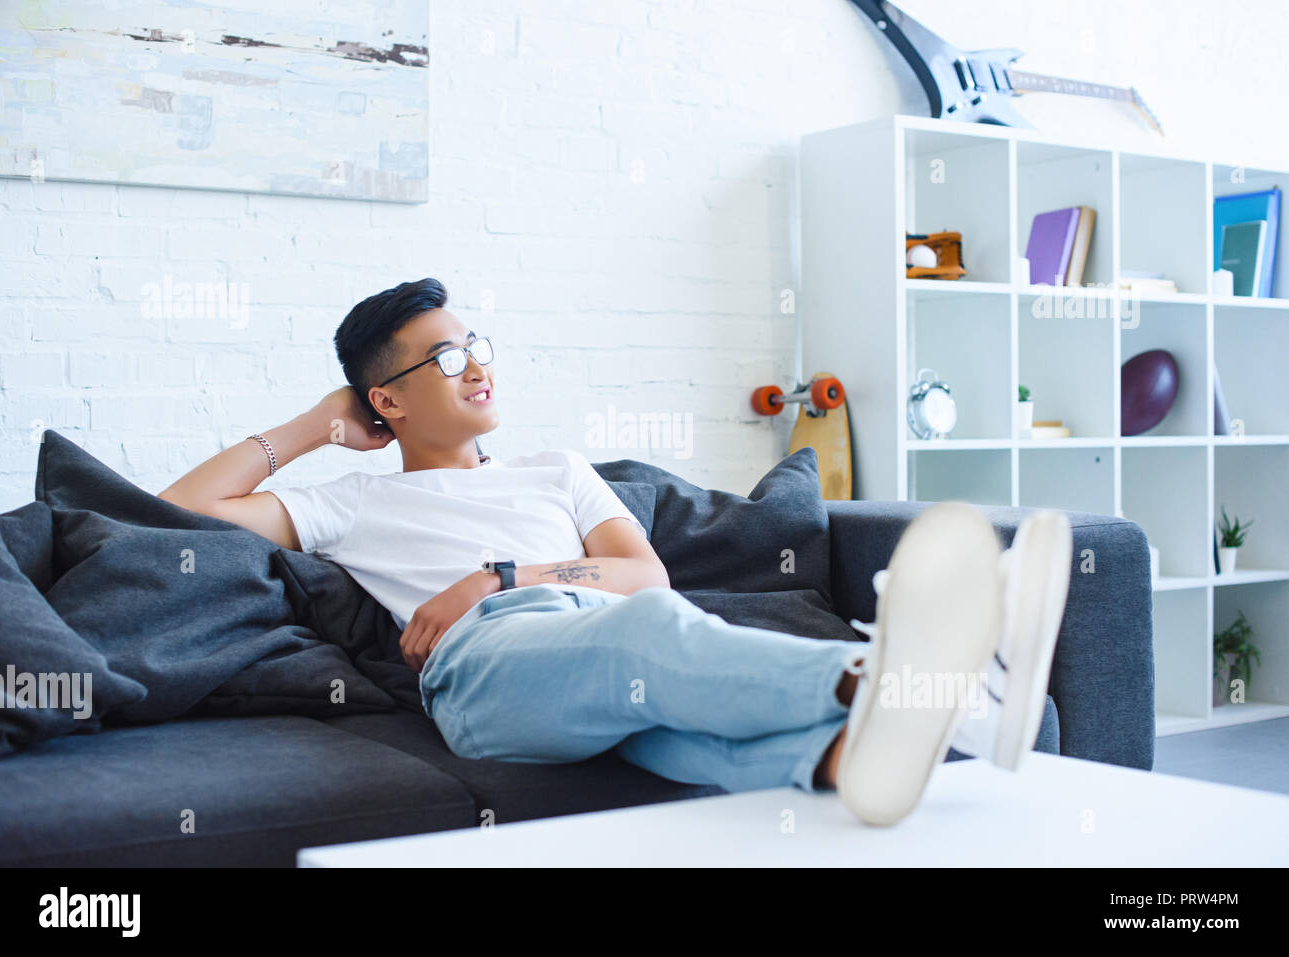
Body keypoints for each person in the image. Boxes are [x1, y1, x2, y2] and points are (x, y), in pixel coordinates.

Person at [159, 278, 1072, 826]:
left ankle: (862, 752)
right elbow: (175, 509)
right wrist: (317, 424)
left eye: (473, 344)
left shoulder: (559, 472)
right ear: (385, 400)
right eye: (442, 358)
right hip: (484, 668)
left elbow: (645, 574)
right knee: (650, 639)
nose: (476, 364)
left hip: (594, 630)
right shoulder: (355, 502)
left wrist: (502, 573)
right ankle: (927, 680)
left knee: (678, 732)